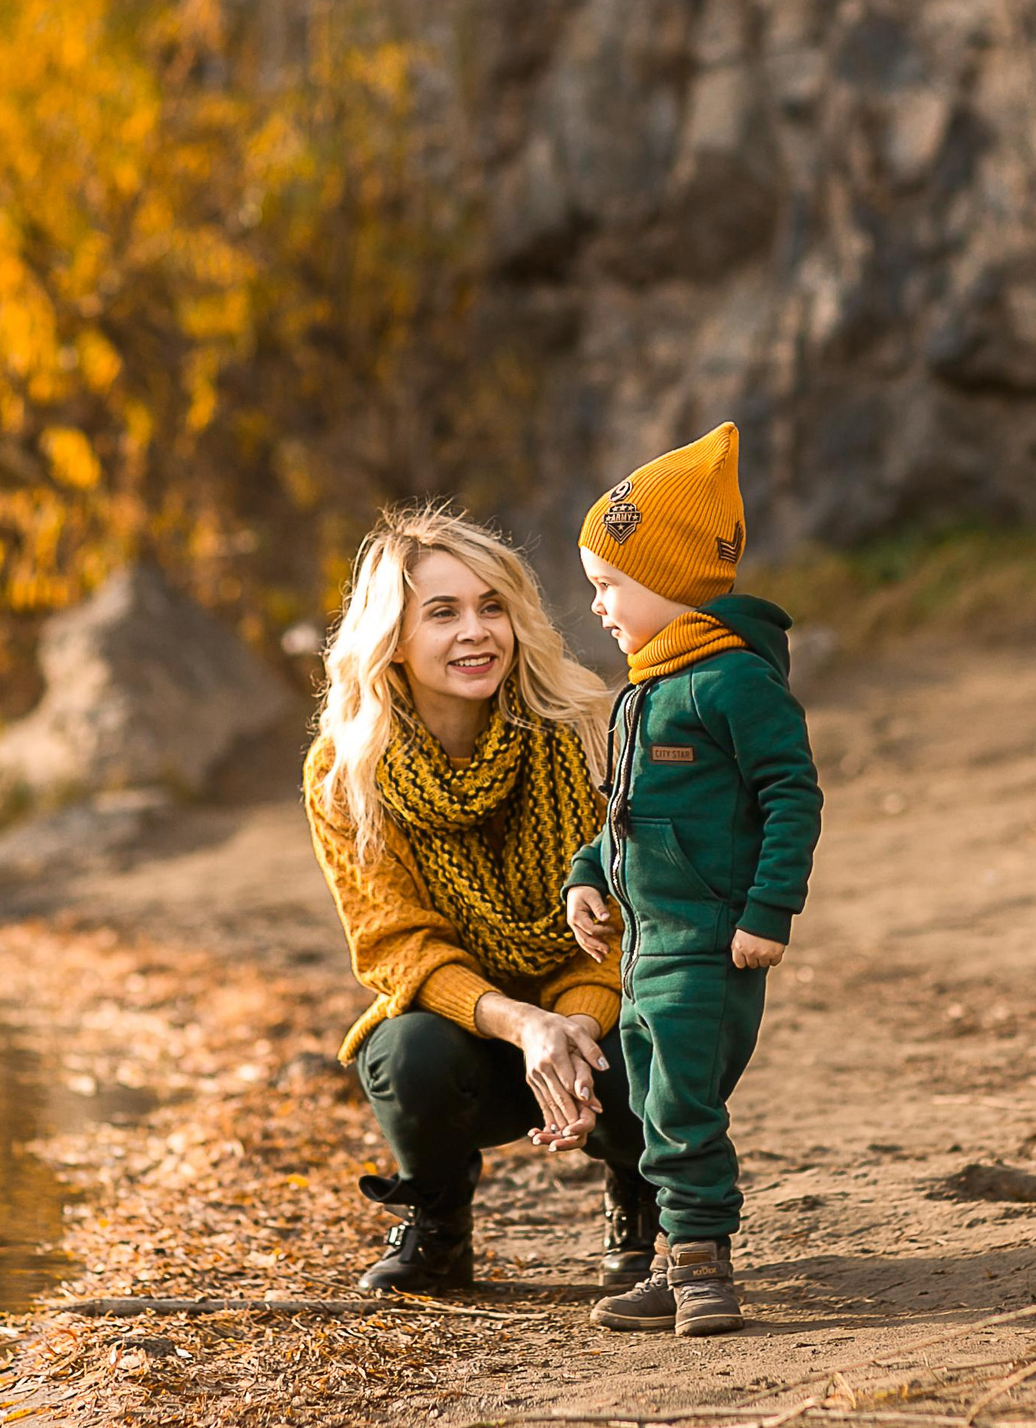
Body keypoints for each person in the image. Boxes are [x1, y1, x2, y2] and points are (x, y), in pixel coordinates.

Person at [305, 507, 655, 1294]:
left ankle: (638, 1193)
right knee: (404, 1055)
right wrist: (524, 1024)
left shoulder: (583, 729)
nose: (477, 632)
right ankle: (437, 1224)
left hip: (592, 1023)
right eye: (443, 612)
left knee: (660, 1028)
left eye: (491, 606)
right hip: (474, 1036)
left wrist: (571, 1027)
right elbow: (399, 949)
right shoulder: (346, 772)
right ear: (391, 638)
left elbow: (626, 921)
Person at [563, 422, 823, 1336]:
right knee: (649, 1102)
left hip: (711, 945)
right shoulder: (644, 687)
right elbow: (623, 812)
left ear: (670, 581)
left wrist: (768, 912)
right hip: (644, 946)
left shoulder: (731, 684)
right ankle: (679, 1262)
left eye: (609, 587)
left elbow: (793, 796)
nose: (597, 606)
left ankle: (704, 1267)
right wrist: (586, 877)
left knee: (678, 1104)